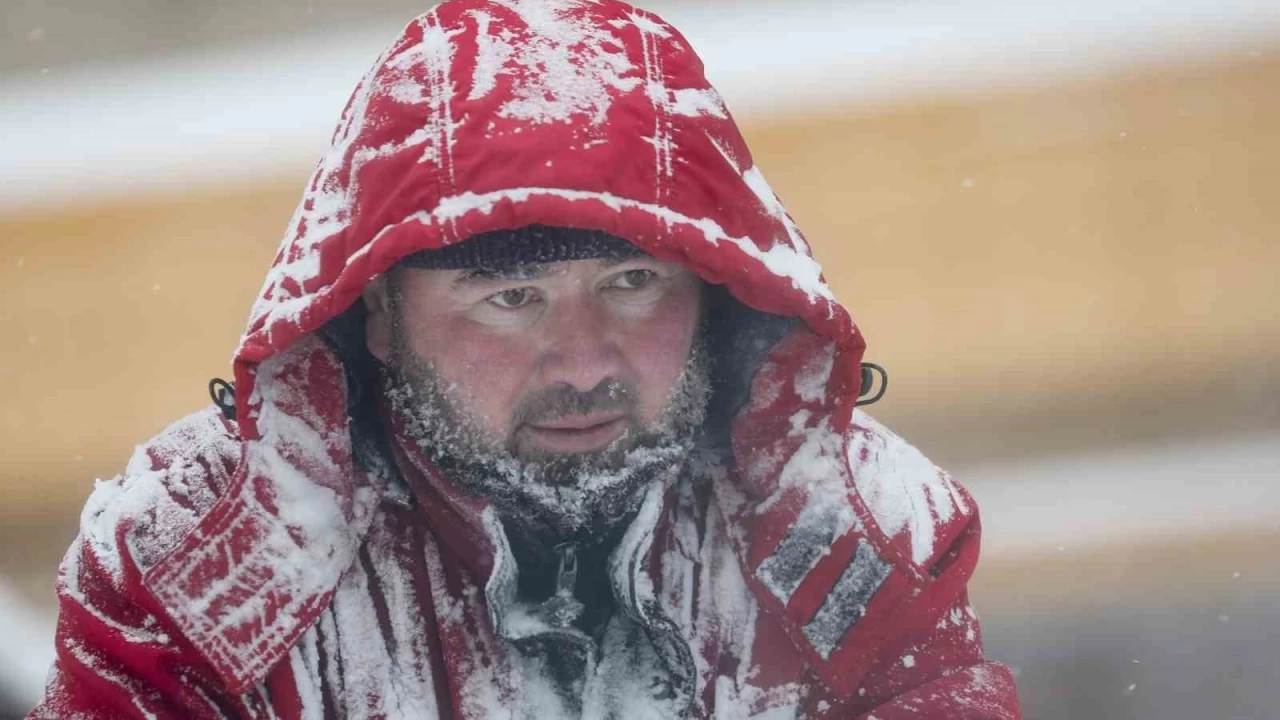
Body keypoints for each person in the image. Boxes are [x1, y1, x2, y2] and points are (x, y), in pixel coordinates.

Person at [31, 1, 1021, 717]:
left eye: (632, 283)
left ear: (718, 292)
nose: (584, 358)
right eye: (510, 299)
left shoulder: (854, 528)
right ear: (372, 313)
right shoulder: (191, 565)